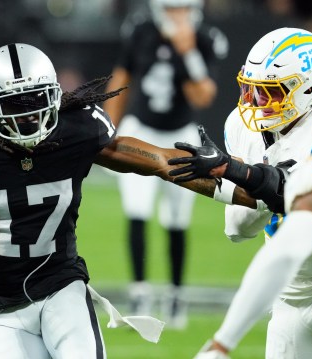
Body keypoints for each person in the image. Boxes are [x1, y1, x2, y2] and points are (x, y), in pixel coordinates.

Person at [0, 43, 252, 359]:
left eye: (35, 101)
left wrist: (249, 192)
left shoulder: (78, 129)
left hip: (62, 288)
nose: (27, 116)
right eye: (13, 104)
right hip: (0, 307)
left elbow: (162, 163)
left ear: (55, 95)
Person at [169, 28, 312, 358]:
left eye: (269, 93)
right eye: (252, 90)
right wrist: (256, 182)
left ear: (308, 89)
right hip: (290, 289)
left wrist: (239, 173)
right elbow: (238, 228)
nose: (256, 104)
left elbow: (293, 190)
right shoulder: (239, 125)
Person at [103, 0, 228, 328]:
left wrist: (187, 53)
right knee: (138, 211)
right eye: (173, 8)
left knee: (177, 218)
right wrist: (105, 131)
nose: (179, 15)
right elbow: (121, 79)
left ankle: (175, 295)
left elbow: (204, 96)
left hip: (181, 135)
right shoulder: (141, 30)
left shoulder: (205, 38)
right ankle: (140, 291)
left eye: (184, 8)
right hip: (140, 130)